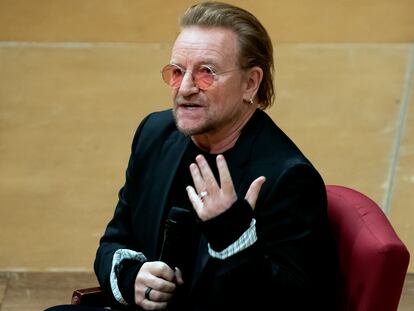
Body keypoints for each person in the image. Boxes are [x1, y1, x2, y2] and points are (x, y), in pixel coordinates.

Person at [46, 2, 337, 311]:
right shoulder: (155, 134)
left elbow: (295, 302)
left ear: (250, 83)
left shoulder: (287, 177)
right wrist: (134, 278)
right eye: (177, 72)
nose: (184, 88)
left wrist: (233, 238)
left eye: (206, 73)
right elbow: (115, 241)